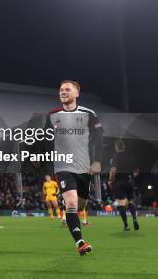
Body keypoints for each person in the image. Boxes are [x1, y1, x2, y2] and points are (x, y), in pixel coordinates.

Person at [43, 80, 104, 256]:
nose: (63, 92)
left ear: (77, 93)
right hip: (62, 165)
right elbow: (48, 141)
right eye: (61, 89)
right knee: (71, 203)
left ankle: (69, 204)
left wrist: (97, 161)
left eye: (67, 89)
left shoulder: (88, 114)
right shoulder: (52, 115)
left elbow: (99, 137)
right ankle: (80, 242)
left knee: (81, 205)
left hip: (84, 166)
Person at [108, 140, 139, 231]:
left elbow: (113, 170)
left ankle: (126, 225)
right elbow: (136, 171)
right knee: (130, 202)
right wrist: (131, 177)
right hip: (129, 182)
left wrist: (110, 180)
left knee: (121, 204)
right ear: (124, 147)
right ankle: (134, 218)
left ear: (116, 147)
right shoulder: (131, 157)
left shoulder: (115, 157)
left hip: (119, 183)